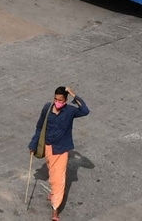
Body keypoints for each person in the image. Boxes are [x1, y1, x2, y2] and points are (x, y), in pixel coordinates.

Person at [28, 87, 90, 221]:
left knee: (58, 179)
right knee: (52, 173)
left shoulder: (70, 111)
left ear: (65, 100)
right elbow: (39, 128)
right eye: (55, 99)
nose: (57, 102)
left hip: (61, 149)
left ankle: (55, 211)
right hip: (48, 147)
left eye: (60, 100)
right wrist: (33, 144)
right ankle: (55, 193)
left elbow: (85, 110)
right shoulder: (47, 108)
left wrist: (73, 93)